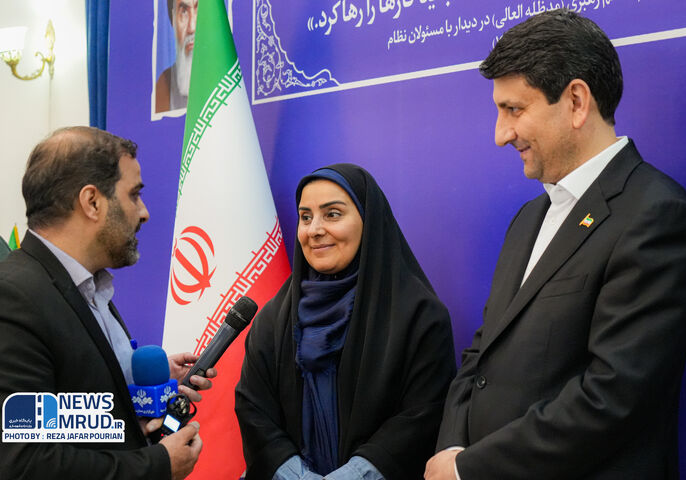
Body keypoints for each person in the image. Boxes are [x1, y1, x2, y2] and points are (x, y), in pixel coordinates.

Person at [425, 9, 686, 480]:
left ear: (576, 101)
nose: (500, 135)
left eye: (514, 110)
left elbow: (612, 398)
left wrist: (468, 469)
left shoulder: (657, 216)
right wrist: (452, 446)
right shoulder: (527, 219)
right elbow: (481, 355)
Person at [0, 126, 216, 479]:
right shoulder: (13, 297)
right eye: (134, 195)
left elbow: (66, 414)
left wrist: (135, 387)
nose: (143, 212)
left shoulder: (87, 287)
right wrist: (157, 465)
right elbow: (25, 462)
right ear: (92, 202)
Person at [236, 164, 457, 479]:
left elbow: (423, 415)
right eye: (305, 217)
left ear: (368, 221)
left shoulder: (420, 316)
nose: (314, 230)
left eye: (332, 214)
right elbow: (254, 408)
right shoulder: (274, 318)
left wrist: (354, 475)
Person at [156, 0, 198, 113]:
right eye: (183, 11)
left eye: (201, 10)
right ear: (173, 20)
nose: (192, 28)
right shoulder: (163, 85)